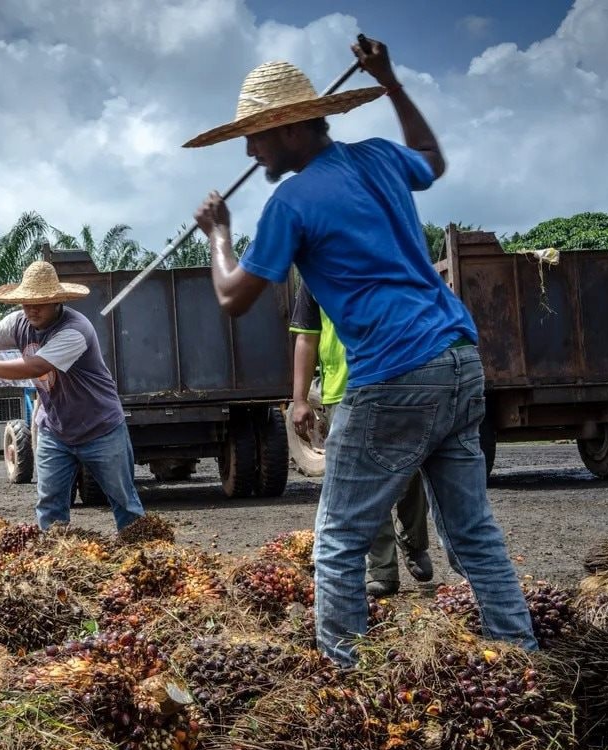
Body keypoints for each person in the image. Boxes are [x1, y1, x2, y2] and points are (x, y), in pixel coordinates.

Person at [184, 37, 536, 665]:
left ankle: (346, 684)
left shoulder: (290, 202)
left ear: (290, 129)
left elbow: (234, 296)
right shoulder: (377, 157)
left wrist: (219, 234)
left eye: (257, 135)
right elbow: (430, 156)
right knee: (473, 533)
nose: (248, 149)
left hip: (395, 373)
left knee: (339, 539)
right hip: (457, 361)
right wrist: (390, 79)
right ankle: (520, 652)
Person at [0, 260, 145, 532]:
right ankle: (52, 565)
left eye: (39, 302)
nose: (31, 308)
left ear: (57, 301)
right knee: (49, 506)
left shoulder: (76, 329)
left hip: (101, 428)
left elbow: (36, 366)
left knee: (124, 503)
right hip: (56, 431)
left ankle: (144, 555)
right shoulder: (19, 321)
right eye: (26, 301)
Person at [289, 282, 433, 597]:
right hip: (343, 392)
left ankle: (414, 540)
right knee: (365, 482)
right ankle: (382, 569)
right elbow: (306, 337)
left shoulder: (380, 258)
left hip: (394, 382)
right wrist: (300, 399)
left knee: (408, 471)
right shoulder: (314, 278)